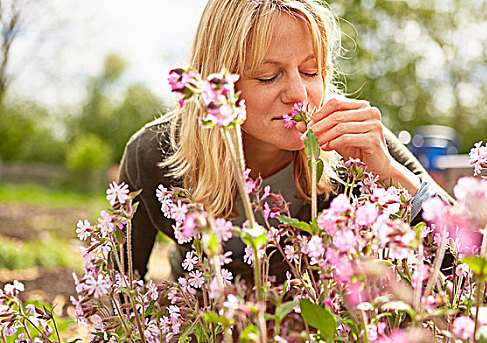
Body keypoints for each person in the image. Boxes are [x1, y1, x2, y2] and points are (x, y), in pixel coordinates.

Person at [118, 0, 450, 282]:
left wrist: (390, 174)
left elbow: (471, 266)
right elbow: (117, 291)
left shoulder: (354, 139)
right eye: (268, 76)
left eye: (310, 72)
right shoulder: (153, 154)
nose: (298, 95)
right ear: (218, 84)